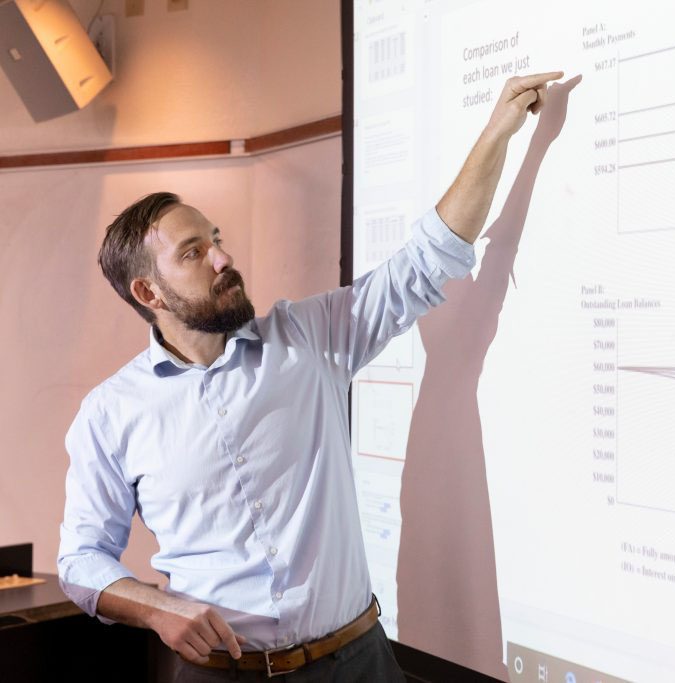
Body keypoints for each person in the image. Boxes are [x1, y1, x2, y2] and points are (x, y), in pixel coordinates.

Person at [57, 71, 564, 682]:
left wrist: (497, 135)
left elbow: (427, 260)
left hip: (360, 664)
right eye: (193, 252)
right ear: (147, 291)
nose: (222, 258)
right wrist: (157, 605)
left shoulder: (311, 337)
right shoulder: (111, 413)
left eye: (216, 240)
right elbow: (82, 560)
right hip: (220, 674)